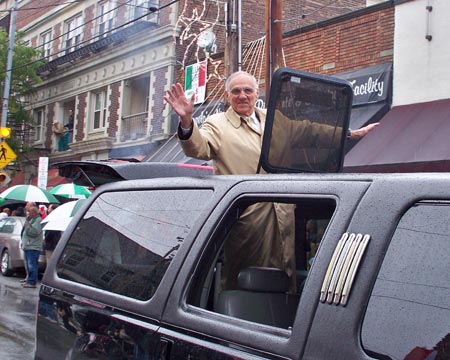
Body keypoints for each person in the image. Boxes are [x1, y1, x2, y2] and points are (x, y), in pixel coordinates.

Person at [164, 70, 378, 290]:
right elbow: (198, 146)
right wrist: (187, 121)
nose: (242, 96)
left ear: (257, 93)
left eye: (248, 90)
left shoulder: (275, 119)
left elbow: (309, 131)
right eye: (236, 91)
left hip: (283, 212)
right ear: (227, 96)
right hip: (248, 217)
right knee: (246, 277)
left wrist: (349, 134)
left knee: (286, 273)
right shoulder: (217, 124)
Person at [21, 205, 43, 288]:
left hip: (33, 246)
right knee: (29, 264)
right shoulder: (32, 220)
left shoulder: (38, 220)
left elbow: (35, 232)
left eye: (29, 212)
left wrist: (27, 226)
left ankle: (32, 281)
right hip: (28, 246)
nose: (28, 213)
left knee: (32, 265)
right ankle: (29, 280)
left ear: (34, 212)